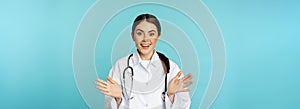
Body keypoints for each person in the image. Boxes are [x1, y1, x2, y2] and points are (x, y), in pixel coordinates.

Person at [94, 14, 193, 109]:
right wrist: (118, 98)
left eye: (151, 34)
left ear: (159, 36)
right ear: (133, 36)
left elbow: (184, 105)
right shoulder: (120, 66)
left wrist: (170, 95)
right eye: (140, 33)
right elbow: (108, 106)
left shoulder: (171, 67)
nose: (145, 39)